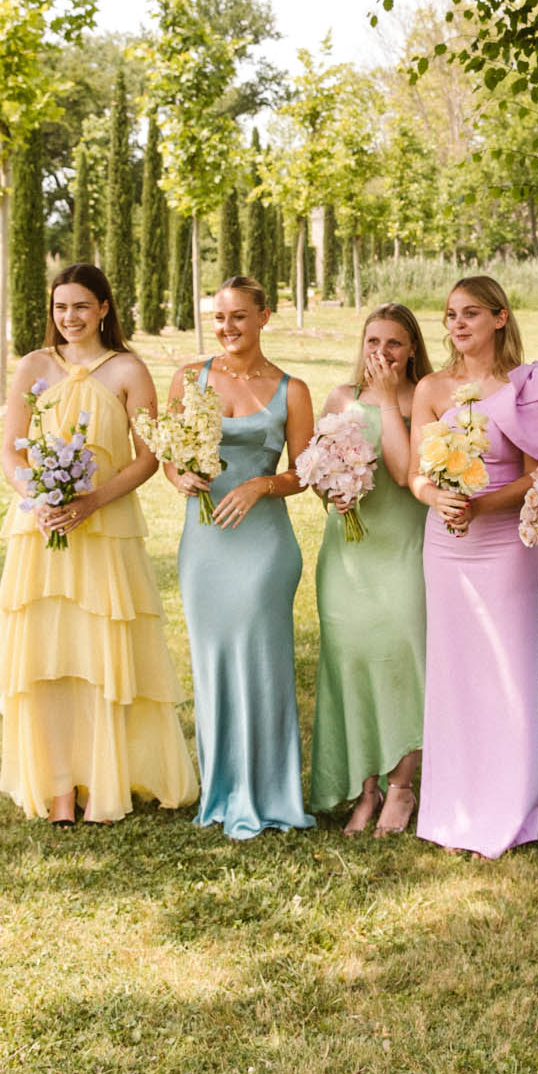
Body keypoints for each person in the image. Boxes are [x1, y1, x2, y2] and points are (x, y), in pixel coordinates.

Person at [0, 263, 197, 825]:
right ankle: (59, 786)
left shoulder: (129, 370)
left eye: (81, 306)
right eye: (61, 308)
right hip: (40, 530)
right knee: (48, 659)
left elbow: (149, 456)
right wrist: (37, 496)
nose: (70, 318)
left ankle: (104, 780)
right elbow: (12, 450)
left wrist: (90, 500)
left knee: (98, 655)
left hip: (104, 530)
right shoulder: (34, 365)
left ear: (104, 308)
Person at [410, 275, 538, 858]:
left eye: (470, 313)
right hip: (445, 543)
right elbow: (416, 474)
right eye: (450, 314)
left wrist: (482, 505)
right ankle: (451, 811)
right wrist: (437, 497)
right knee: (452, 672)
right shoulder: (431, 387)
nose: (457, 324)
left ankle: (506, 811)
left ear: (500, 318)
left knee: (505, 668)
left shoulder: (527, 386)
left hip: (504, 541)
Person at [165, 276, 314, 841]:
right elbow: (169, 456)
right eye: (219, 317)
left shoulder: (290, 389)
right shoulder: (189, 378)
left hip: (264, 545)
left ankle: (272, 793)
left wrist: (259, 486)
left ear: (265, 317)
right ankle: (221, 789)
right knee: (212, 661)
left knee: (263, 664)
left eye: (239, 317)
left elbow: (303, 473)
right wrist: (181, 475)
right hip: (204, 546)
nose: (227, 328)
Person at [309, 303, 432, 837]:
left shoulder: (424, 399)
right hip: (348, 554)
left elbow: (409, 475)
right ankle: (366, 788)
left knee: (404, 659)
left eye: (394, 344)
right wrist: (329, 488)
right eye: (373, 341)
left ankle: (402, 787)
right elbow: (314, 467)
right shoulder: (340, 398)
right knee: (351, 664)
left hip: (403, 548)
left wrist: (386, 404)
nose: (381, 353)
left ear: (411, 350)